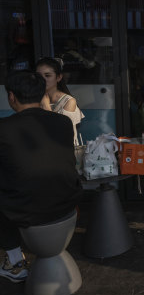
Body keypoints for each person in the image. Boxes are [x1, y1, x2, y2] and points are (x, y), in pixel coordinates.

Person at [0, 71, 83, 283]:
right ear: (42, 94)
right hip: (67, 203)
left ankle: (15, 262)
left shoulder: (4, 129)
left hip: (31, 211)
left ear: (11, 96)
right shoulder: (63, 123)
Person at [35, 57, 84, 145]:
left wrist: (46, 106)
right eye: (39, 76)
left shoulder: (69, 101)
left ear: (58, 77)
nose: (42, 79)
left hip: (63, 151)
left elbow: (60, 133)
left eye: (47, 75)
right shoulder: (34, 98)